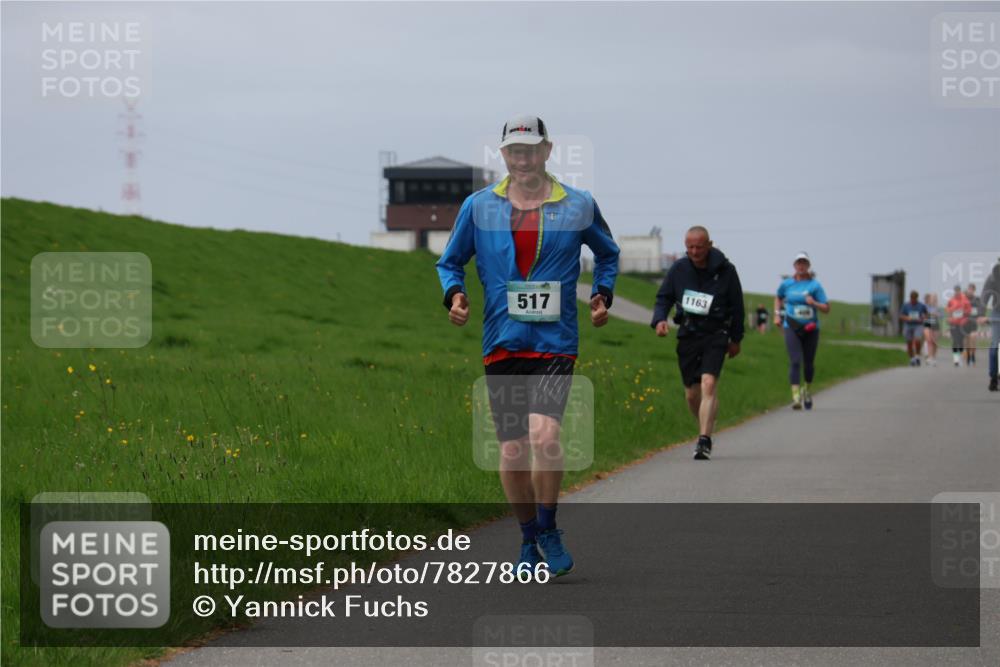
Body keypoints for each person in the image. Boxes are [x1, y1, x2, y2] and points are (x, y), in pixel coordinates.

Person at [436, 114, 620, 576]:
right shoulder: (478, 207)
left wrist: (603, 293)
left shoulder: (578, 204)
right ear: (504, 155)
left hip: (555, 341)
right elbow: (450, 262)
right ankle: (527, 539)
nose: (523, 158)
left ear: (547, 151)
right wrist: (454, 295)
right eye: (514, 151)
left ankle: (550, 525)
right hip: (502, 339)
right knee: (514, 449)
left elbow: (608, 252)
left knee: (546, 436)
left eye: (531, 149)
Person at [651, 226, 744, 460]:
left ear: (709, 245)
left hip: (716, 333)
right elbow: (664, 297)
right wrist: (660, 319)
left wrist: (736, 338)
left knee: (709, 383)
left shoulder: (727, 271)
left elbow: (737, 307)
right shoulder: (679, 269)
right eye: (689, 247)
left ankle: (704, 440)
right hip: (689, 334)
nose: (694, 251)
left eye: (699, 247)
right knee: (692, 395)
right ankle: (706, 421)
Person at [775, 252, 830, 410]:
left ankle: (807, 390)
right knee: (795, 361)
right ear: (794, 265)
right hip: (791, 325)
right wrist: (777, 315)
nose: (801, 266)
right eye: (798, 263)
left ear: (808, 266)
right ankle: (796, 396)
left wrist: (814, 303)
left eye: (804, 263)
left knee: (808, 363)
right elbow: (778, 297)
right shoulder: (787, 284)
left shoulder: (815, 285)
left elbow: (826, 308)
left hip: (811, 328)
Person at [981, 260, 1000, 392]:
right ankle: (993, 376)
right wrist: (981, 314)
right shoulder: (993, 277)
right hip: (997, 313)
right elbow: (985, 295)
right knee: (994, 346)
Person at [900, 291, 928, 366]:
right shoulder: (906, 305)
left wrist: (923, 318)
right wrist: (907, 318)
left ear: (917, 298)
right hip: (908, 325)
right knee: (909, 342)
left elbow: (926, 315)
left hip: (918, 325)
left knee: (917, 340)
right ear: (910, 298)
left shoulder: (921, 306)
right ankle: (912, 359)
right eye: (912, 298)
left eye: (914, 299)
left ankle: (917, 356)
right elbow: (901, 316)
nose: (913, 300)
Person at [946, 285, 972, 367]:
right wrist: (950, 314)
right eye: (956, 290)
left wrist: (964, 312)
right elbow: (947, 310)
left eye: (958, 290)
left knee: (960, 342)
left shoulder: (965, 300)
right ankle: (956, 359)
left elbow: (969, 310)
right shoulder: (951, 300)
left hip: (962, 324)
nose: (957, 292)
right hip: (953, 323)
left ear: (960, 291)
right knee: (955, 341)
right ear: (954, 291)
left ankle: (960, 356)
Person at [964, 283, 984, 366]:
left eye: (972, 289)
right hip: (965, 322)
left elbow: (980, 309)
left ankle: (973, 356)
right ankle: (968, 356)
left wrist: (979, 317)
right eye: (969, 289)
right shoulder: (963, 299)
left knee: (973, 339)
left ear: (974, 290)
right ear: (967, 289)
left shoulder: (977, 299)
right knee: (967, 341)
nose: (970, 291)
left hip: (973, 322)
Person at [922, 292, 941, 366]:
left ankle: (933, 356)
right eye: (932, 298)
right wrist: (930, 314)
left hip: (936, 324)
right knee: (929, 340)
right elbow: (923, 315)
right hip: (927, 323)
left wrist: (937, 314)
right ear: (929, 299)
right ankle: (929, 357)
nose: (933, 300)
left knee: (935, 342)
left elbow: (941, 315)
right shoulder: (925, 306)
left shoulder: (938, 307)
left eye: (934, 299)